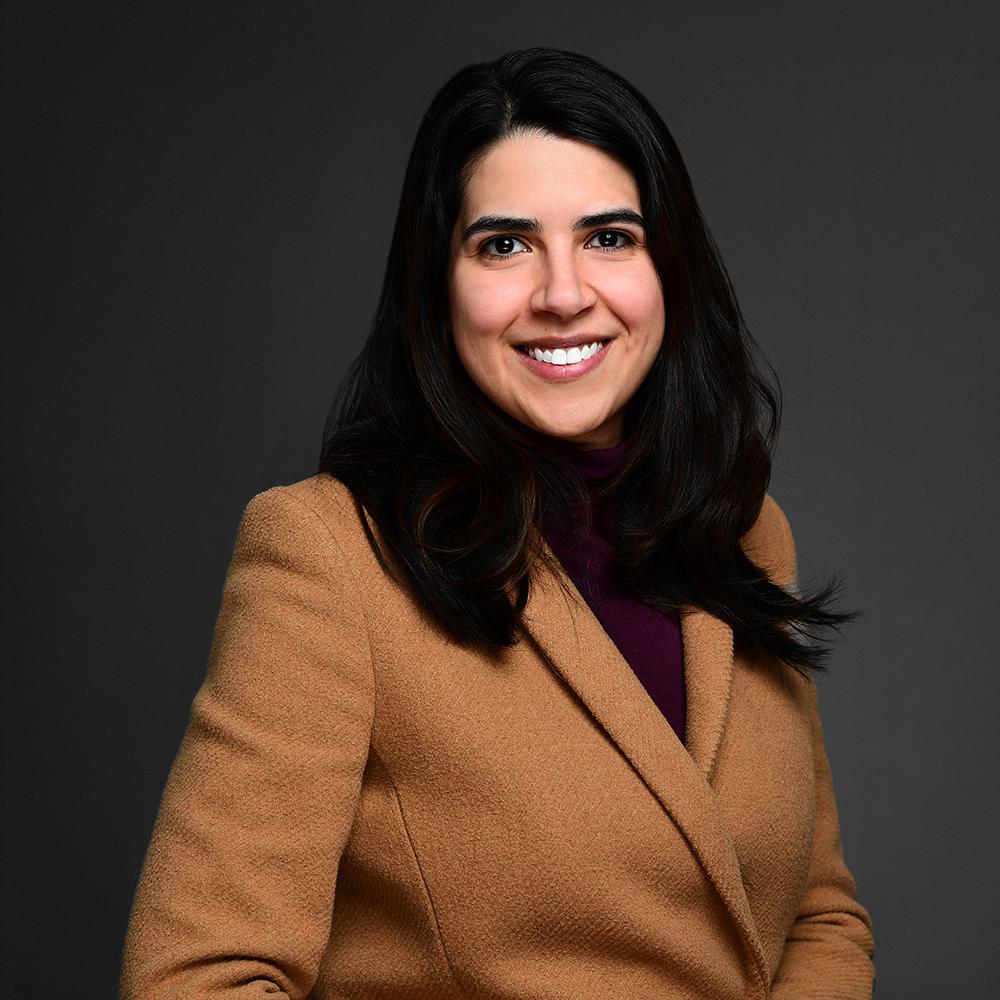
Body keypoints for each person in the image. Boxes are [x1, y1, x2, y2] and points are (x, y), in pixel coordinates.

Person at [119, 46, 875, 1000]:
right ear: (437, 285)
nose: (563, 294)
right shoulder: (330, 557)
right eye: (505, 245)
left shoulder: (742, 530)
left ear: (668, 268)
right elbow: (196, 977)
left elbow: (817, 917)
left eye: (609, 237)